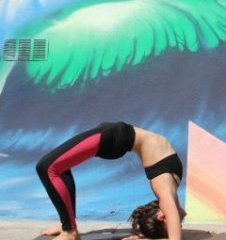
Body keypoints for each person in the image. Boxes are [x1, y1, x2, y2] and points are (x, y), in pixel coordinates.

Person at [36, 121, 185, 240]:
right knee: (56, 167)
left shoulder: (165, 184)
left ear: (160, 216)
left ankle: (69, 230)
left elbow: (178, 214)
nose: (178, 223)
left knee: (47, 167)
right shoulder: (165, 193)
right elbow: (176, 216)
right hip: (117, 135)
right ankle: (68, 226)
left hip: (115, 136)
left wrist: (147, 237)